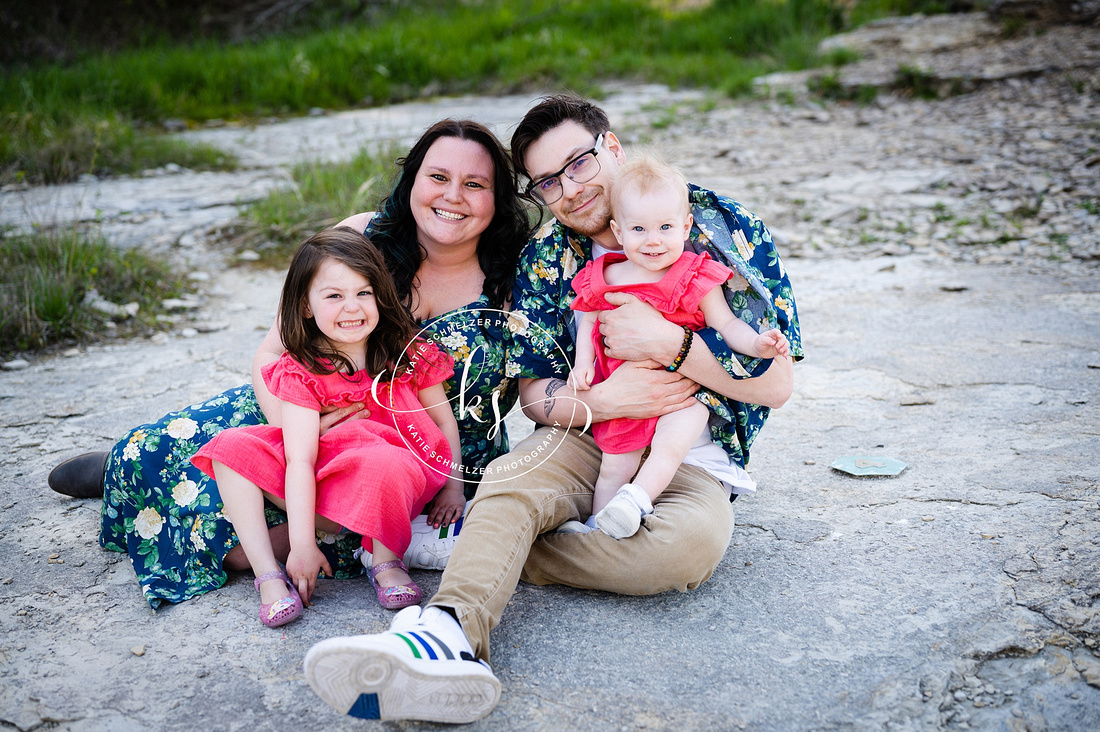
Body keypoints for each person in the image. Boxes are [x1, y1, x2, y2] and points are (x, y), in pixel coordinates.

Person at [302, 94, 802, 724]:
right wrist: (599, 401)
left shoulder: (716, 227)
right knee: (512, 484)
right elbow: (537, 396)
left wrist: (674, 347)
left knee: (684, 553)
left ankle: (475, 543)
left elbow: (776, 385)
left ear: (612, 148)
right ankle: (442, 636)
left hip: (693, 453)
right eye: (547, 181)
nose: (569, 190)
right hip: (591, 434)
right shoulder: (548, 261)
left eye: (579, 164)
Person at [46, 119, 531, 609]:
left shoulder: (517, 276)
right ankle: (122, 468)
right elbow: (274, 352)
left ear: (498, 198)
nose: (453, 196)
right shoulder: (362, 237)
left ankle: (161, 490)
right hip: (305, 407)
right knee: (160, 449)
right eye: (438, 177)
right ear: (413, 181)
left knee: (232, 548)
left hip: (420, 454)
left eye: (475, 184)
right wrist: (298, 428)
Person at [192, 228, 464, 626]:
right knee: (232, 447)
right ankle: (269, 576)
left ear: (380, 295)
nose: (351, 308)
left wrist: (453, 486)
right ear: (306, 306)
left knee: (386, 457)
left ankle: (385, 561)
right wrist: (302, 543)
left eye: (363, 292)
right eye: (334, 296)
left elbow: (443, 421)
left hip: (395, 476)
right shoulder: (303, 368)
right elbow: (300, 458)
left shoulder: (409, 353)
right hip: (323, 482)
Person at [570, 154, 790, 539]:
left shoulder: (695, 274)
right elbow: (589, 316)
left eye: (665, 227)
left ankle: (636, 499)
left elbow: (727, 325)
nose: (653, 240)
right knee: (614, 465)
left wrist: (758, 344)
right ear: (618, 233)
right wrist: (582, 364)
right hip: (629, 392)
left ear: (685, 226)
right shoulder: (607, 276)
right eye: (639, 229)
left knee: (674, 442)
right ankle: (598, 527)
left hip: (682, 395)